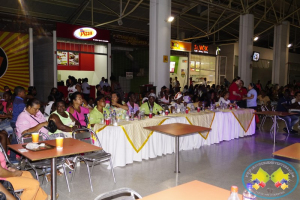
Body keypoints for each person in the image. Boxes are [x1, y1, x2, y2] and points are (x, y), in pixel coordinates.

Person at [10, 86, 26, 162]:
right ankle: (12, 158)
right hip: (17, 122)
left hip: (14, 121)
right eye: (24, 92)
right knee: (15, 141)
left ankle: (14, 157)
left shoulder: (16, 100)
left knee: (15, 140)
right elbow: (22, 114)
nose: (25, 94)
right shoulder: (20, 102)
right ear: (19, 93)